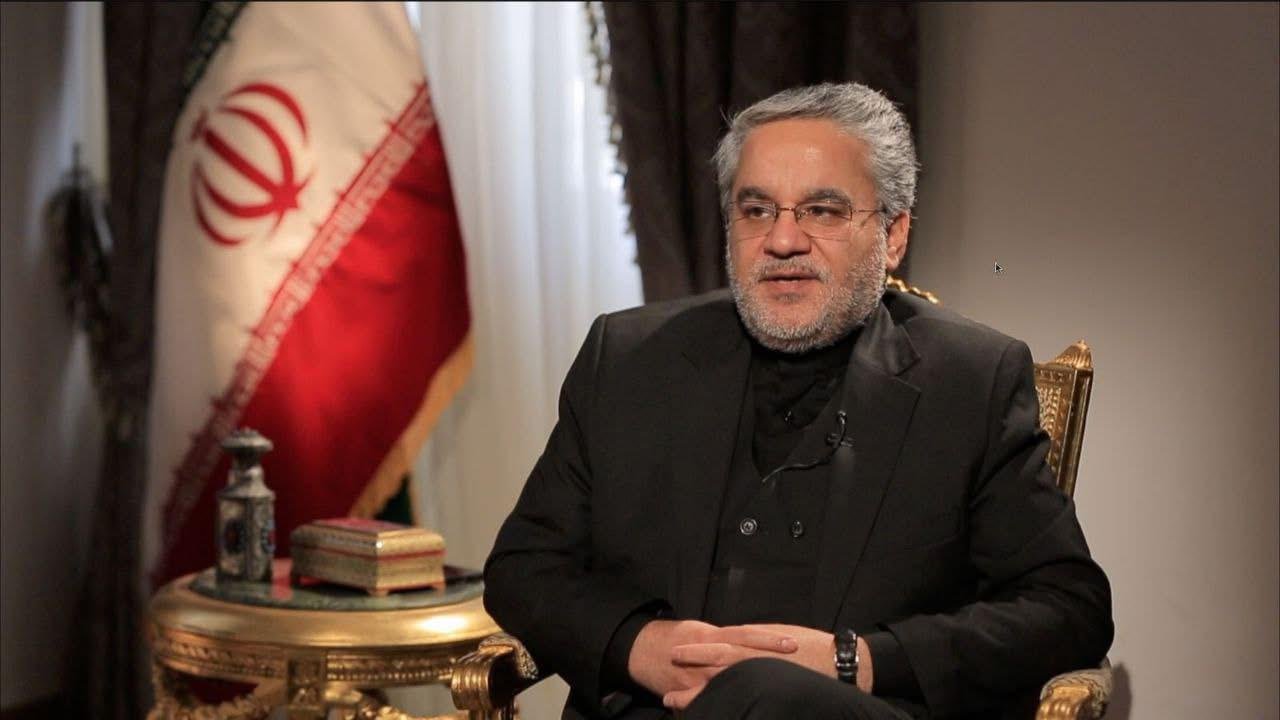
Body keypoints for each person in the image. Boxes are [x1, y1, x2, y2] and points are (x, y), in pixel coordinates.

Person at [484, 82, 1112, 720]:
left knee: (763, 692)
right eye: (757, 210)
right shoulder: (628, 359)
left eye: (823, 211)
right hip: (653, 709)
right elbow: (524, 566)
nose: (783, 240)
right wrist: (640, 645)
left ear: (894, 234)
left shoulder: (970, 381)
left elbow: (1068, 608)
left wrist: (858, 661)